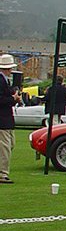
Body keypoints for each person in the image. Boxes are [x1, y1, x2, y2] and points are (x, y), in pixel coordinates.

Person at [0, 54, 21, 184]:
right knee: (5, 147)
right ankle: (2, 174)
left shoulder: (4, 80)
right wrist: (13, 99)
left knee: (9, 145)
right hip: (2, 119)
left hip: (6, 119)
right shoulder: (1, 81)